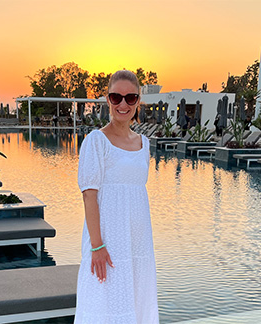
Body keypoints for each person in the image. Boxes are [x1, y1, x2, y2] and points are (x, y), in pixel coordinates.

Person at [75, 70, 159, 323]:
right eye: (116, 97)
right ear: (108, 100)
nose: (123, 104)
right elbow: (89, 197)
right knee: (103, 299)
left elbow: (136, 193)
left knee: (136, 296)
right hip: (107, 240)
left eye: (130, 98)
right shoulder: (96, 142)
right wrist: (97, 246)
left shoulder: (143, 144)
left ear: (138, 102)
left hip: (137, 239)